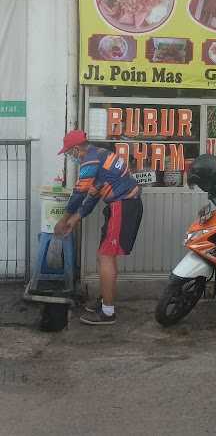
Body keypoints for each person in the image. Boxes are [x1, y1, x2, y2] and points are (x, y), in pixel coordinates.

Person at [54, 130, 143, 326]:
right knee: (104, 255)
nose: (71, 157)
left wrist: (64, 219)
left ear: (77, 149)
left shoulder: (91, 161)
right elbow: (93, 195)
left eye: (69, 153)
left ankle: (108, 312)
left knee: (105, 256)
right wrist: (75, 219)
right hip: (120, 205)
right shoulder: (101, 155)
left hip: (123, 205)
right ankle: (105, 299)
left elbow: (79, 193)